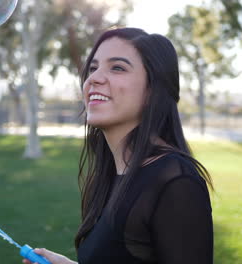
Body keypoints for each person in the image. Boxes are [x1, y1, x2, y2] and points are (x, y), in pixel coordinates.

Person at [23, 27, 214, 264]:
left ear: (153, 89)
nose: (94, 78)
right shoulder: (112, 174)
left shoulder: (175, 181)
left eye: (118, 68)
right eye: (93, 68)